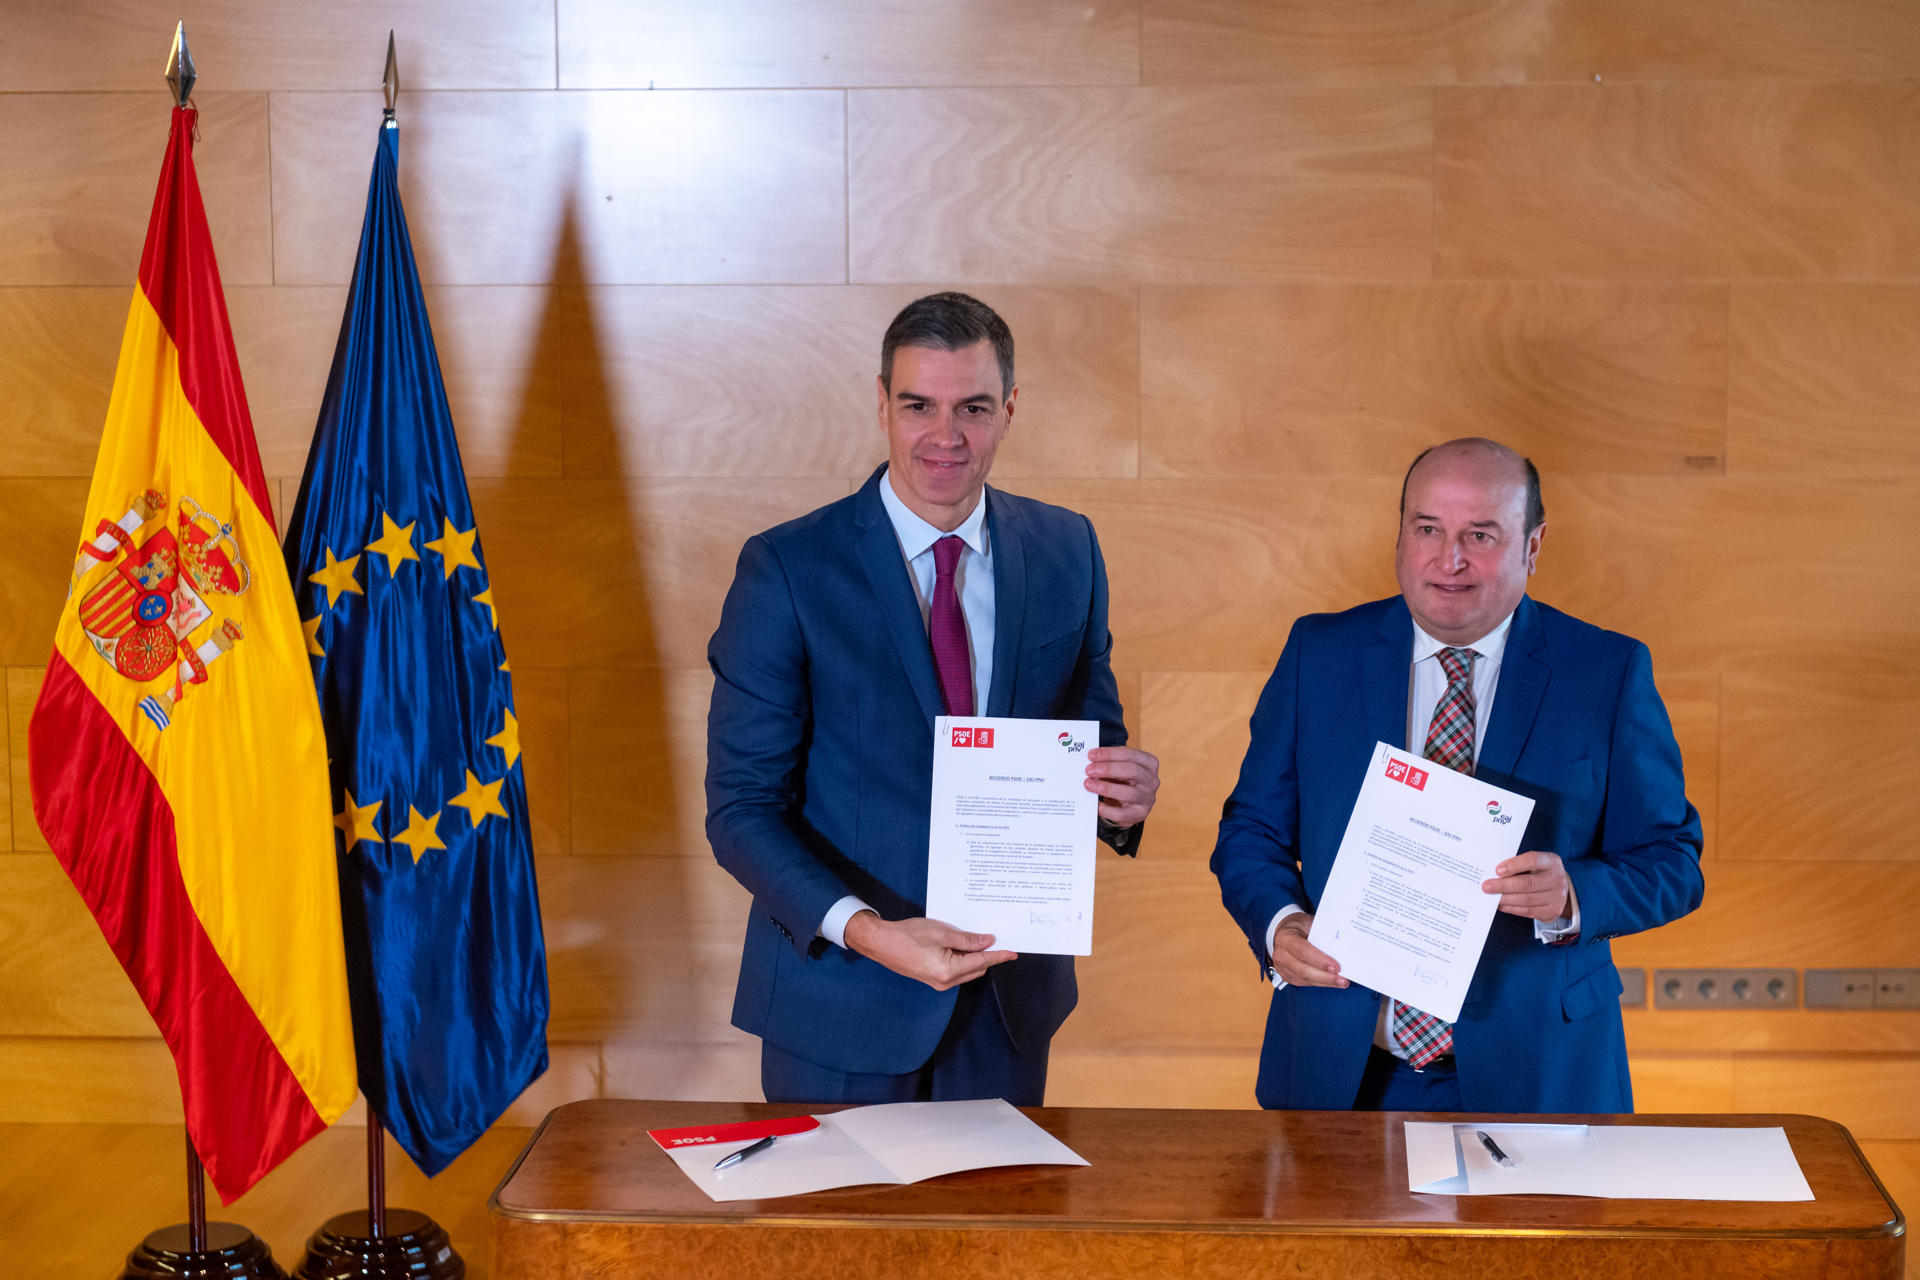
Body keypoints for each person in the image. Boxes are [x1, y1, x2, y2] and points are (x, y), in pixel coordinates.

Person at [706, 292, 1160, 1106]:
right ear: (881, 404)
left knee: (998, 1238)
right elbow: (740, 810)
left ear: (1010, 410)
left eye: (973, 408)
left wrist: (1119, 802)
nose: (945, 437)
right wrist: (871, 934)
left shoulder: (1067, 551)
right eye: (918, 405)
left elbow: (1090, 743)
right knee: (839, 1239)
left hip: (1006, 1009)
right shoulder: (787, 569)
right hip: (838, 1005)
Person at [1210, 437, 1702, 1113]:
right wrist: (1281, 925)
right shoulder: (1319, 654)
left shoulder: (1607, 673)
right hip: (1342, 1071)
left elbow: (1674, 862)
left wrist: (1573, 895)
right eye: (1429, 530)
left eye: (1481, 534)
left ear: (1532, 546)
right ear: (1400, 539)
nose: (1451, 559)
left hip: (1540, 1076)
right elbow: (1251, 831)